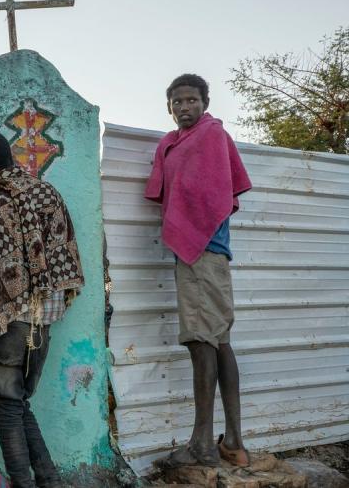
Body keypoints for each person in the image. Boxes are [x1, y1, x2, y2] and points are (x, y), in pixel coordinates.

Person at [0, 130, 84, 488]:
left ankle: (23, 481)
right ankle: (49, 478)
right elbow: (66, 253)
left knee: (8, 405)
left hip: (10, 324)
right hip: (44, 322)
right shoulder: (48, 193)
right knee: (18, 402)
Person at [147, 74, 252, 469]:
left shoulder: (210, 136)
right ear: (169, 106)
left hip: (204, 252)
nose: (185, 106)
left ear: (205, 102)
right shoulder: (173, 143)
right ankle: (234, 444)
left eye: (192, 99)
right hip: (207, 253)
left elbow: (211, 194)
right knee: (218, 340)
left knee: (200, 341)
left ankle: (203, 445)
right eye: (177, 101)